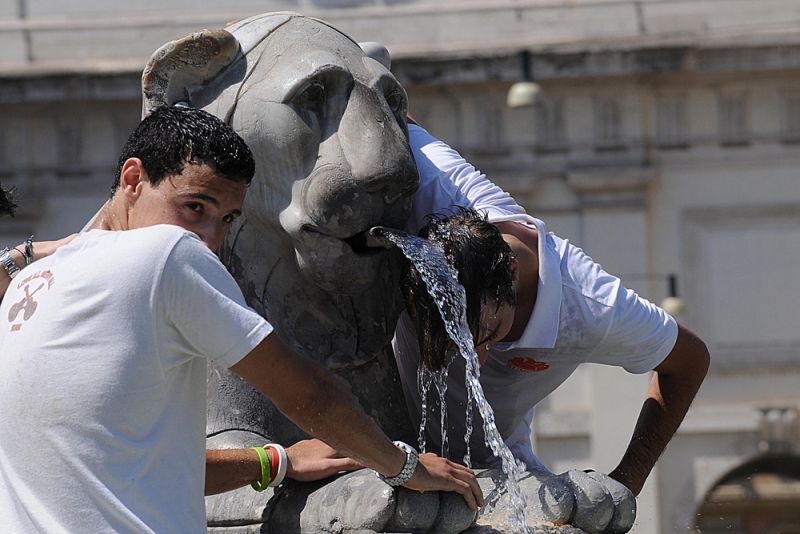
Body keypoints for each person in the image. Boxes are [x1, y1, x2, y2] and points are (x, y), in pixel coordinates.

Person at [0, 106, 482, 533]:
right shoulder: (167, 252)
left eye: (227, 219)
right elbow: (307, 394)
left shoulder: (29, 285)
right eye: (194, 207)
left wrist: (277, 461)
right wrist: (404, 468)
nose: (209, 238)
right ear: (132, 179)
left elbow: (135, 465)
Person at [394, 122, 710, 496]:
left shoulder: (593, 307)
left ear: (511, 272)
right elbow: (387, 105)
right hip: (383, 441)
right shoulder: (439, 185)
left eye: (487, 336)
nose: (473, 360)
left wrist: (628, 481)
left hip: (495, 472)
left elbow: (690, 361)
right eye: (451, 341)